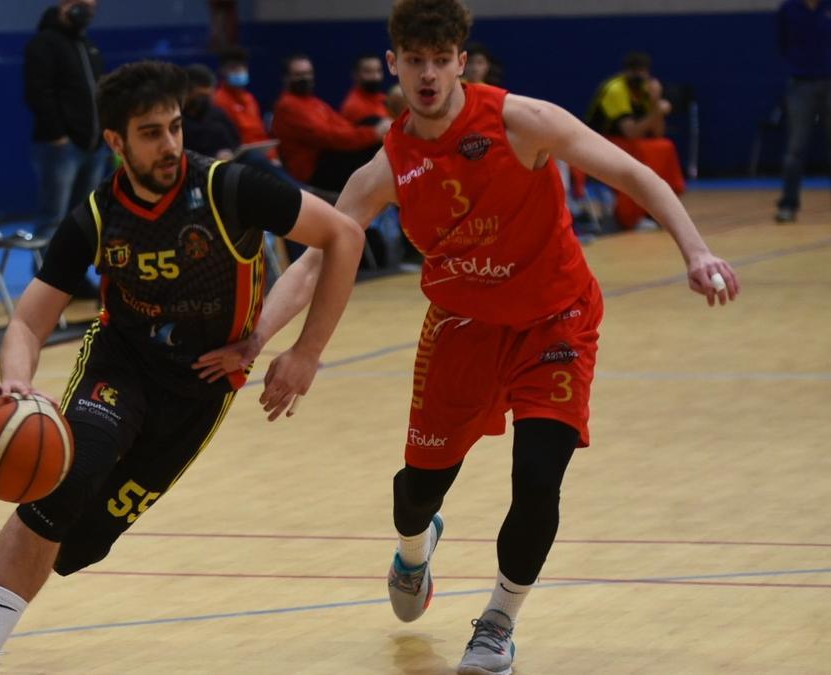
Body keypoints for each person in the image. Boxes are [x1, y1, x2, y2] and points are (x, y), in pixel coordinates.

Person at [197, 1, 740, 673]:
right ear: (394, 64)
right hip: (461, 328)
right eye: (414, 62)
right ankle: (414, 549)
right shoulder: (387, 165)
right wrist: (259, 340)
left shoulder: (521, 122)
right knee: (419, 489)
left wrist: (695, 250)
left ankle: (498, 623)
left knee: (538, 478)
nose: (427, 75)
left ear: (462, 61)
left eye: (440, 60)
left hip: (556, 318)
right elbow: (314, 261)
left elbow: (632, 172)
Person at [0, 60, 364, 674]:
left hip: (199, 387)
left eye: (174, 127)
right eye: (150, 132)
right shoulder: (96, 215)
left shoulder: (229, 188)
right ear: (116, 142)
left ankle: (28, 582)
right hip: (121, 362)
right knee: (61, 486)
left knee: (81, 544)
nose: (170, 144)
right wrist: (17, 378)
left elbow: (344, 236)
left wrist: (301, 350)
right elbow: (28, 321)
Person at [24, 0, 108, 239]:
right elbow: (38, 93)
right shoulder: (43, 44)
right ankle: (48, 277)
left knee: (84, 218)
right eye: (82, 4)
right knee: (53, 218)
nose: (87, 11)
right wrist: (57, 136)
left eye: (92, 7)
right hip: (61, 148)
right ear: (65, 4)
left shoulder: (88, 46)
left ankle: (75, 275)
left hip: (93, 146)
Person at [775, 0, 831, 223]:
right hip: (800, 82)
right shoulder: (789, 8)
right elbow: (782, 42)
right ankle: (788, 204)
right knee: (796, 147)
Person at [586, 52, 686, 230]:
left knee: (665, 146)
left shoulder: (647, 90)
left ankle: (660, 206)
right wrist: (657, 111)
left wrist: (655, 102)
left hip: (629, 141)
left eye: (642, 72)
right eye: (634, 72)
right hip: (601, 141)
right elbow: (630, 132)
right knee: (643, 154)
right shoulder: (616, 90)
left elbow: (658, 132)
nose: (639, 77)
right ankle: (629, 214)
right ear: (626, 73)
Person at [271, 52, 390, 191]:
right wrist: (372, 134)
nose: (305, 78)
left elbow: (342, 126)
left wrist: (371, 132)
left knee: (373, 126)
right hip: (313, 170)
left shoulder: (313, 102)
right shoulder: (288, 106)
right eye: (299, 74)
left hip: (327, 156)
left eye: (308, 73)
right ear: (286, 78)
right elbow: (328, 137)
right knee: (374, 144)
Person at [181, 64, 240, 160]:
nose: (205, 100)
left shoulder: (218, 114)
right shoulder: (177, 120)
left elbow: (236, 141)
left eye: (210, 95)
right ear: (186, 93)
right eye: (201, 96)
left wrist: (229, 152)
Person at [340, 54, 391, 125]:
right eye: (368, 72)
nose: (375, 77)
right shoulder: (353, 107)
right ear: (355, 75)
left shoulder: (385, 99)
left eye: (378, 71)